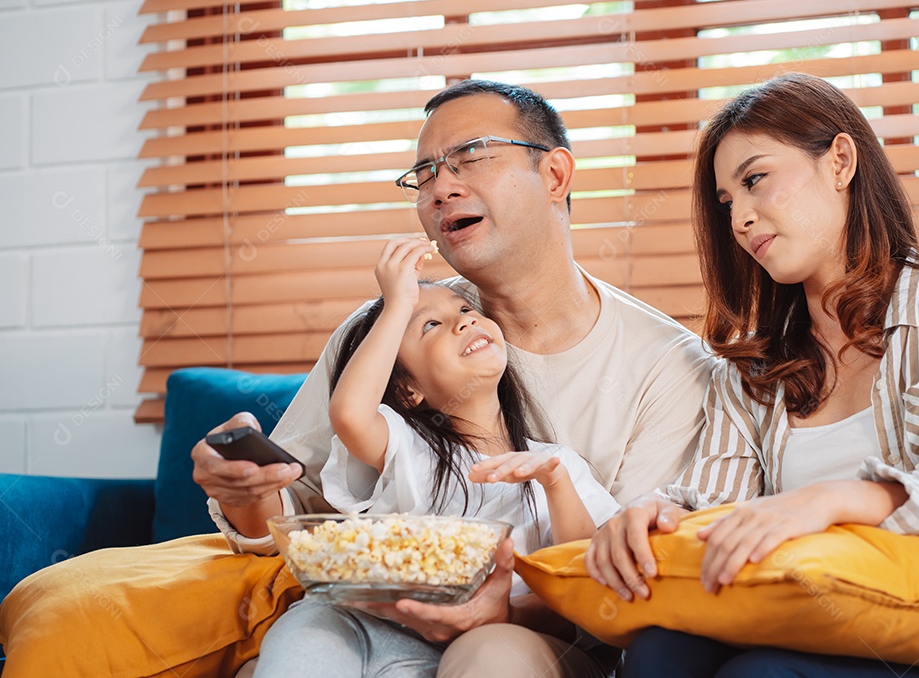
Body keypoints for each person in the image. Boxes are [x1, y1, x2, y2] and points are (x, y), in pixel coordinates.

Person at [192, 79, 715, 678]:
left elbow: (618, 583)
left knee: (491, 653)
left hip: (541, 644)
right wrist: (245, 490)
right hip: (362, 622)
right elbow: (294, 508)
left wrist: (500, 613)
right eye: (425, 174)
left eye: (471, 156)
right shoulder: (384, 332)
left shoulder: (672, 368)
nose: (441, 188)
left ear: (555, 175)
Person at [583, 73, 919, 678]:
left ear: (840, 161)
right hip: (810, 618)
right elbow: (712, 506)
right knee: (657, 652)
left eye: (755, 180)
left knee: (761, 675)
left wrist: (826, 501)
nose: (740, 218)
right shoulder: (750, 371)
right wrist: (651, 511)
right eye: (727, 204)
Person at [253, 236, 620, 676]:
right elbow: (349, 414)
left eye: (464, 310)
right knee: (302, 640)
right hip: (361, 623)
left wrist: (556, 484)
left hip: (476, 643)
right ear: (408, 390)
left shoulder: (556, 464)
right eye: (430, 325)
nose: (463, 322)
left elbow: (582, 573)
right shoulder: (405, 445)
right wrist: (397, 304)